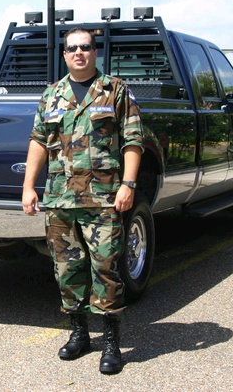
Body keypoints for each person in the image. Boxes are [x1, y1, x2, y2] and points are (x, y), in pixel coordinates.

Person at [22, 27, 143, 375]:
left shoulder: (115, 90)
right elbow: (38, 142)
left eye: (86, 47)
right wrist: (29, 186)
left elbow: (133, 139)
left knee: (106, 268)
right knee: (66, 270)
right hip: (61, 199)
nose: (79, 53)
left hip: (104, 198)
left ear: (95, 52)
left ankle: (111, 341)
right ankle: (79, 333)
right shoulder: (52, 95)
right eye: (72, 48)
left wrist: (129, 184)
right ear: (64, 55)